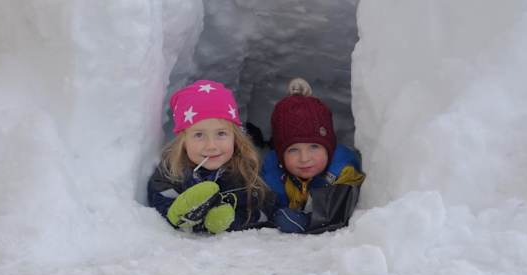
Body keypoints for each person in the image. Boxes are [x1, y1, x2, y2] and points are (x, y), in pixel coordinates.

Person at [148, 80, 273, 234]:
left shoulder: (245, 170)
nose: (211, 146)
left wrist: (230, 220)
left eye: (221, 133)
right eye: (199, 135)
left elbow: (264, 210)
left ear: (235, 137)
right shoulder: (173, 170)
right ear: (183, 141)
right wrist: (175, 212)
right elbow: (158, 197)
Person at [261, 78, 365, 234]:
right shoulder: (273, 173)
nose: (304, 158)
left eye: (314, 147)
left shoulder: (342, 170)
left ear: (329, 147)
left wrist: (308, 221)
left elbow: (340, 211)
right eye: (293, 150)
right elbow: (263, 206)